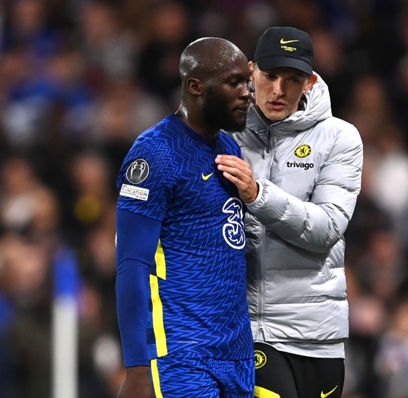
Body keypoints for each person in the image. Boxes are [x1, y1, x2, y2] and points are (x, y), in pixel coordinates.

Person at [215, 26, 363, 398]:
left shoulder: (340, 138)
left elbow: (326, 229)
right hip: (251, 331)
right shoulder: (222, 135)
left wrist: (256, 193)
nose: (279, 90)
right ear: (251, 72)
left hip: (320, 338)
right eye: (269, 76)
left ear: (310, 82)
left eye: (292, 79)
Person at [114, 37, 256, 398]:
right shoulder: (154, 154)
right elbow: (131, 264)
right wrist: (136, 367)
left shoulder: (230, 149)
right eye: (234, 82)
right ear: (195, 86)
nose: (247, 93)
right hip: (180, 354)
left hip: (237, 356)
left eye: (247, 82)